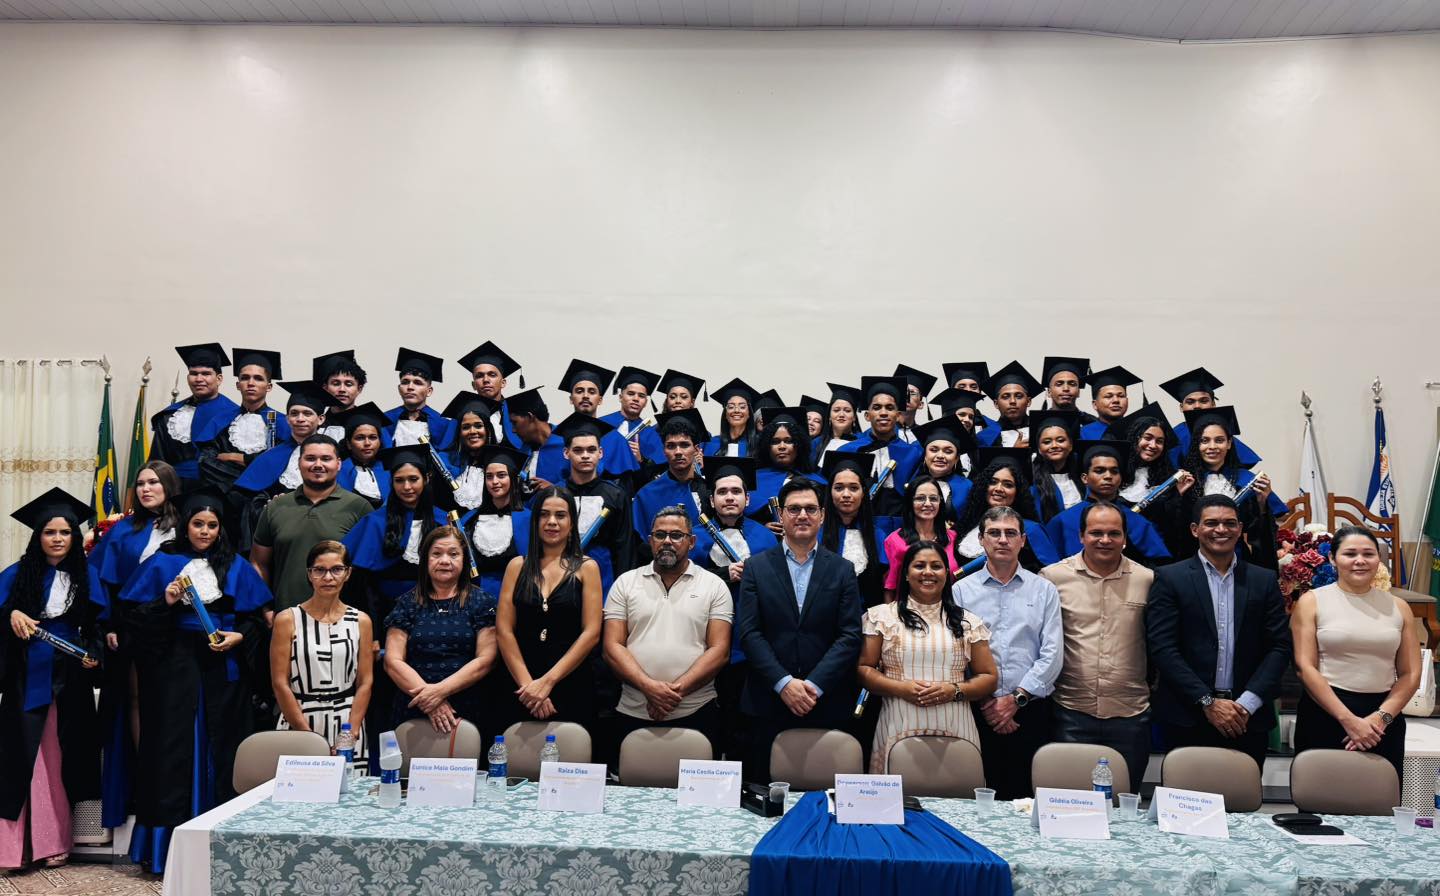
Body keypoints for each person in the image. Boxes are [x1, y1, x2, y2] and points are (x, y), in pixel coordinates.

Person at [119, 489, 271, 873]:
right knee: (169, 750)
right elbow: (134, 622)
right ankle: (164, 850)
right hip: (172, 670)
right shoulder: (162, 563)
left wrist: (239, 638)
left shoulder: (234, 564)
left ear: (221, 529)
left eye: (212, 525)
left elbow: (255, 622)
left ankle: (220, 845)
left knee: (224, 748)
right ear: (185, 526)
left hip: (223, 671)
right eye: (198, 524)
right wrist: (166, 603)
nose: (205, 531)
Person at [0, 489, 106, 871]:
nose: (58, 539)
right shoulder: (17, 574)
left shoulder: (86, 576)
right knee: (20, 755)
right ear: (38, 536)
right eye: (49, 532)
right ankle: (10, 849)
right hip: (27, 673)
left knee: (62, 755)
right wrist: (12, 615)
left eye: (65, 532)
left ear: (75, 537)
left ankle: (54, 841)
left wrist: (94, 654)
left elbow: (99, 627)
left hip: (71, 677)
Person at [1146, 496, 1292, 771]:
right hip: (1188, 715)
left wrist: (1246, 704)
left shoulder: (1263, 580)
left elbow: (1279, 647)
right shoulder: (1170, 578)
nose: (1221, 530)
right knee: (1186, 795)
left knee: (1243, 796)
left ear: (1240, 529)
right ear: (1195, 529)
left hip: (1246, 717)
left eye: (1229, 523)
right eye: (1211, 523)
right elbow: (1163, 648)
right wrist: (1207, 701)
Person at [735, 479, 862, 780]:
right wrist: (784, 684)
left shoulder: (843, 569)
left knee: (826, 796)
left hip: (825, 700)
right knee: (764, 797)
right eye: (794, 509)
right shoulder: (755, 568)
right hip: (767, 700)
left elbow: (849, 635)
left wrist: (813, 686)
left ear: (822, 515)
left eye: (810, 509)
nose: (802, 515)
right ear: (781, 515)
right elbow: (750, 633)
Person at [88, 461, 181, 831]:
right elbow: (104, 579)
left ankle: (172, 772)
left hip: (178, 625)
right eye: (140, 483)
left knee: (173, 700)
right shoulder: (124, 530)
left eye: (154, 482)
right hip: (133, 625)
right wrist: (110, 623)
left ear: (169, 486)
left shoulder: (187, 525)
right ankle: (144, 772)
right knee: (137, 698)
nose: (145, 489)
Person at [602, 507, 733, 767]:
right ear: (650, 540)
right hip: (633, 709)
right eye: (660, 535)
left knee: (698, 792)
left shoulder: (714, 586)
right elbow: (612, 647)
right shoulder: (625, 583)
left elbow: (719, 651)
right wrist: (649, 688)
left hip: (696, 709)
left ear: (691, 541)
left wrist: (670, 694)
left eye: (676, 535)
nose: (667, 541)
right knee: (630, 790)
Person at [1291, 526, 1420, 785]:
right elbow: (1304, 667)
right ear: (1332, 558)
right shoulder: (1311, 601)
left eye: (1368, 554)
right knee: (1321, 799)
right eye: (1350, 554)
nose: (1360, 560)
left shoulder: (1399, 607)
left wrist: (1381, 719)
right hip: (1326, 712)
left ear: (1379, 559)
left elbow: (1411, 673)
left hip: (1383, 719)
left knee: (1379, 800)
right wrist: (1348, 720)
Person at [1042, 502, 1154, 793]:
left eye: (1114, 533)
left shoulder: (1147, 580)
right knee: (1070, 803)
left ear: (1125, 538)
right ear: (1081, 535)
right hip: (1070, 711)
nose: (1105, 540)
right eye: (1096, 533)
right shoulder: (1053, 578)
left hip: (1130, 715)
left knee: (1123, 805)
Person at [857, 540, 997, 774]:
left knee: (956, 796)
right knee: (896, 795)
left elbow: (989, 677)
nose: (928, 572)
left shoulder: (968, 622)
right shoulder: (881, 617)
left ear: (947, 573)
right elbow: (864, 670)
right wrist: (901, 688)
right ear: (906, 574)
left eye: (936, 566)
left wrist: (954, 690)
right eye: (919, 566)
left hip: (956, 728)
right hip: (897, 726)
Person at [956, 507, 1062, 799]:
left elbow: (1052, 652)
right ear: (981, 540)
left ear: (1022, 540)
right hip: (978, 711)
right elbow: (957, 653)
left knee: (1026, 799)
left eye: (1010, 533)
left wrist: (1016, 699)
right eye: (994, 533)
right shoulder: (961, 591)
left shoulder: (1044, 590)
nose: (1002, 539)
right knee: (976, 799)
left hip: (1029, 711)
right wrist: (987, 701)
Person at [690, 457, 777, 760]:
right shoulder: (695, 536)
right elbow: (686, 580)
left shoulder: (765, 536)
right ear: (712, 500)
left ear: (747, 499)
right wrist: (724, 574)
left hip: (749, 635)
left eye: (736, 492)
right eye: (722, 492)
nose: (730, 497)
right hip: (703, 636)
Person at [495, 488, 603, 728]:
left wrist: (547, 682)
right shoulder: (516, 566)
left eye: (560, 515)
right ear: (535, 521)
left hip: (570, 680)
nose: (552, 521)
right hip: (520, 684)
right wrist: (529, 687)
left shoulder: (587, 568)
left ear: (572, 523)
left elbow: (591, 633)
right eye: (544, 514)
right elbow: (504, 631)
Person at [384, 527, 499, 741]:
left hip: (467, 708)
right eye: (436, 554)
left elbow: (486, 660)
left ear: (465, 560)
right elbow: (392, 661)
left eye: (453, 554)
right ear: (425, 559)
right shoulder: (406, 603)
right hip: (414, 706)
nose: (445, 560)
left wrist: (439, 692)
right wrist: (430, 700)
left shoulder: (483, 603)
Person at [270, 541, 374, 760]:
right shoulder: (287, 619)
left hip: (347, 725)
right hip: (299, 721)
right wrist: (308, 737)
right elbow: (280, 683)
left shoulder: (361, 620)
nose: (328, 577)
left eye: (336, 569)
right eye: (319, 570)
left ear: (348, 573)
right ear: (309, 574)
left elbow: (365, 681)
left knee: (349, 783)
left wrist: (352, 731)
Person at [250, 434, 373, 612]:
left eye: (326, 459)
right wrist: (266, 608)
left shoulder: (359, 507)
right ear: (299, 463)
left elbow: (368, 570)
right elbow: (259, 562)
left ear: (338, 464)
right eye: (310, 458)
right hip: (287, 615)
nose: (318, 465)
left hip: (343, 617)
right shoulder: (276, 507)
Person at [342, 445, 448, 635]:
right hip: (384, 612)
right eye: (399, 480)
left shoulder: (443, 520)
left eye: (413, 479)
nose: (406, 487)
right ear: (391, 482)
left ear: (426, 479)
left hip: (435, 609)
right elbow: (363, 583)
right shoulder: (375, 522)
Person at [1177, 406, 1283, 568]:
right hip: (1193, 561)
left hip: (1238, 560)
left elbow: (1258, 532)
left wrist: (1262, 504)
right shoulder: (1185, 481)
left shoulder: (1247, 481)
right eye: (1205, 441)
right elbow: (1175, 530)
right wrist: (1178, 499)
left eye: (1219, 440)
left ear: (1229, 443)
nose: (1212, 446)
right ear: (1196, 445)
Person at [1045, 441, 1173, 566]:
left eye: (1114, 471)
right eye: (1099, 470)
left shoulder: (1136, 521)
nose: (1108, 476)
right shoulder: (1062, 521)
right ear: (1085, 478)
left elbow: (1159, 563)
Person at [552, 414, 635, 595]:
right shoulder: (554, 495)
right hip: (559, 569)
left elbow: (624, 546)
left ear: (600, 452)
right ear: (566, 453)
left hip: (603, 573)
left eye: (591, 450)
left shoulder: (616, 495)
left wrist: (623, 589)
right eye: (578, 450)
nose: (585, 456)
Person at [149, 343, 241, 491]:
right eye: (194, 373)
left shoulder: (236, 416)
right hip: (175, 490)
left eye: (206, 373)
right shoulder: (170, 416)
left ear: (219, 379)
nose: (199, 379)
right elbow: (157, 462)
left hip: (218, 491)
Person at [953, 449, 1058, 570]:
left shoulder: (1030, 530)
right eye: (993, 482)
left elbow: (1050, 572)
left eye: (1008, 485)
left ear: (1018, 492)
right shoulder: (966, 527)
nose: (998, 488)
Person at [1112, 403, 1194, 556]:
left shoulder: (1169, 478)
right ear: (1134, 438)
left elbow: (1174, 527)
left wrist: (1177, 495)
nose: (1153, 445)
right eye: (1147, 438)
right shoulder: (1115, 473)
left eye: (1159, 441)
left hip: (1155, 552)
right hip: (1119, 550)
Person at [833, 376, 922, 518]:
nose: (883, 413)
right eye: (877, 407)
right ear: (867, 416)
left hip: (900, 527)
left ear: (898, 415)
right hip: (859, 523)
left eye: (890, 408)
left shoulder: (913, 454)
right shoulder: (848, 451)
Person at [463, 444, 533, 601]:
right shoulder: (470, 520)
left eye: (501, 475)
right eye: (489, 476)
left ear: (512, 478)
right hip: (476, 596)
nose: (494, 481)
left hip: (518, 595)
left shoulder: (528, 519)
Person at [211, 348, 292, 484]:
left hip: (265, 491)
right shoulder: (222, 419)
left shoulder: (280, 421)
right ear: (238, 385)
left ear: (269, 387)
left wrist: (234, 457)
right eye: (245, 378)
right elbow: (208, 458)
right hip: (223, 488)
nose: (251, 383)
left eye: (258, 378)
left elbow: (275, 463)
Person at [818, 453, 889, 608]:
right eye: (838, 488)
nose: (846, 494)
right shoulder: (816, 534)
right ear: (830, 492)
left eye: (854, 488)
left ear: (863, 493)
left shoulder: (877, 535)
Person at [632, 409, 713, 537]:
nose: (678, 452)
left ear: (696, 450)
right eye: (671, 446)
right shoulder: (646, 495)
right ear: (664, 450)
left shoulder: (709, 492)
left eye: (684, 445)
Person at [1160, 367, 1263, 467]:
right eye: (1190, 402)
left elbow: (1243, 464)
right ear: (1181, 407)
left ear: (1213, 404)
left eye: (1203, 401)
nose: (1197, 406)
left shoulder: (1222, 433)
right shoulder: (1174, 435)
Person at [881, 476, 961, 603]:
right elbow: (890, 588)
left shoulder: (953, 537)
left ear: (940, 503)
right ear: (910, 502)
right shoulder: (895, 540)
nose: (928, 504)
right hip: (907, 610)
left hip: (947, 607)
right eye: (920, 498)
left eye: (933, 499)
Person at [750, 408, 826, 531]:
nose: (782, 447)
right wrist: (762, 528)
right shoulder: (754, 480)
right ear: (767, 446)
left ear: (799, 445)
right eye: (775, 442)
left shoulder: (818, 483)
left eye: (788, 441)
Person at [439, 391, 497, 512]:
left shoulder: (499, 463)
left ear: (488, 429)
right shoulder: (445, 462)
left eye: (478, 426)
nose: (472, 431)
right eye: (466, 427)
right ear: (459, 433)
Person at [457, 341, 523, 449]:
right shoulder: (463, 415)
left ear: (503, 383)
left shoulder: (518, 414)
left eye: (492, 375)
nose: (486, 380)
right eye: (479, 376)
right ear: (474, 385)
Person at [385, 347, 454, 449]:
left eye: (417, 383)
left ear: (429, 391)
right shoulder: (386, 420)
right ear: (399, 389)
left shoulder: (442, 424)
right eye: (405, 382)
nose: (410, 387)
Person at [601, 366, 666, 465]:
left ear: (645, 402)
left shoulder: (651, 434)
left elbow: (656, 469)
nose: (636, 399)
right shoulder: (603, 424)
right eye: (631, 394)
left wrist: (640, 460)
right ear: (620, 397)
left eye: (641, 396)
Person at [1028, 410, 1085, 522]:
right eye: (1047, 442)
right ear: (1039, 449)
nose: (1054, 445)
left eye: (1060, 440)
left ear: (1071, 445)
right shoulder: (1032, 484)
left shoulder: (1082, 479)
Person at [332, 402, 392, 508]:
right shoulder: (337, 471)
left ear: (380, 441)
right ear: (348, 444)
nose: (367, 443)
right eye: (360, 438)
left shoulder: (390, 471)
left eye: (373, 437)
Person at [911, 417, 976, 514]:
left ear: (956, 458)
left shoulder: (967, 487)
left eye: (948, 451)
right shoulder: (912, 483)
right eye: (933, 450)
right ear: (925, 455)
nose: (940, 456)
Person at [507, 386, 566, 490]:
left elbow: (585, 482)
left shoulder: (568, 444)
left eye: (515, 422)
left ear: (530, 417)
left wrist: (555, 489)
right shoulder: (522, 452)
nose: (513, 430)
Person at [976, 361, 1039, 449]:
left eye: (1018, 396)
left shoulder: (1041, 429)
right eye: (1005, 397)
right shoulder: (986, 437)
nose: (1012, 401)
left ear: (1028, 401)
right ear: (996, 403)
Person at [313, 349, 367, 442]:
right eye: (336, 383)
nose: (342, 389)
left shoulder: (368, 425)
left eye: (348, 384)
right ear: (325, 388)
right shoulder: (315, 425)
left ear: (359, 389)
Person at [705, 378, 761, 458]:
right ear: (725, 414)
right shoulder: (711, 444)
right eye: (731, 407)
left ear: (749, 414)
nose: (736, 410)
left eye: (742, 407)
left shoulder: (759, 444)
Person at [1080, 366, 1141, 439]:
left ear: (1127, 401)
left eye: (1121, 396)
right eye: (1108, 396)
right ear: (1095, 404)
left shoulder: (1138, 431)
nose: (1116, 400)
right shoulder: (1083, 433)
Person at [814, 383, 863, 464]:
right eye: (836, 410)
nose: (841, 415)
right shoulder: (816, 444)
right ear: (829, 416)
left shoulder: (863, 442)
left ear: (854, 417)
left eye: (847, 411)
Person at [1040, 356, 1095, 423]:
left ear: (1078, 392)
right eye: (1059, 384)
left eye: (1072, 384)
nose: (1066, 388)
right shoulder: (1038, 423)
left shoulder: (1091, 423)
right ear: (1049, 392)